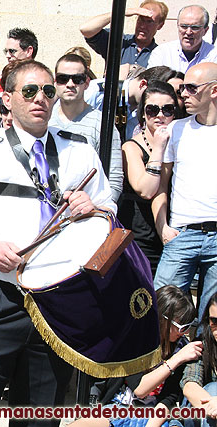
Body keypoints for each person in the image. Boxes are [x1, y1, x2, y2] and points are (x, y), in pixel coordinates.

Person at [0, 59, 115, 427]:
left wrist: (93, 206)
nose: (41, 99)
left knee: (39, 415)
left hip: (59, 299)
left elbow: (109, 213)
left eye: (48, 91)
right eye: (29, 91)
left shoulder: (79, 150)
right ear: (6, 98)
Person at [71, 285, 201, 427]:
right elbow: (139, 389)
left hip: (154, 415)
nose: (183, 332)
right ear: (162, 318)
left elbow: (169, 397)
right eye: (181, 326)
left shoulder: (181, 348)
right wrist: (176, 360)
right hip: (120, 408)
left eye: (188, 327)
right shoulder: (136, 338)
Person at [152, 62, 217, 322]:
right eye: (183, 89)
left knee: (211, 321)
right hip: (182, 233)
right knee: (160, 310)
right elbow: (161, 186)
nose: (184, 95)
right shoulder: (176, 130)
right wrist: (163, 227)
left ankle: (204, 364)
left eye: (191, 88)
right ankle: (162, 363)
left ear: (214, 91)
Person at [117, 81, 181, 277]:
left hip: (175, 226)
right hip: (140, 231)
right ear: (143, 113)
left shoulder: (182, 141)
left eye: (167, 109)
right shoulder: (131, 147)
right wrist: (159, 149)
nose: (160, 115)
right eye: (153, 110)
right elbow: (146, 189)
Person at [49, 53, 124, 202]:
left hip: (86, 212)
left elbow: (114, 181)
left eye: (77, 79)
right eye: (63, 79)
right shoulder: (45, 119)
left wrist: (96, 211)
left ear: (87, 82)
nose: (70, 84)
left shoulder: (102, 124)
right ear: (55, 82)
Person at [79, 1, 167, 69]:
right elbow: (86, 29)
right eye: (140, 19)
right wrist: (122, 12)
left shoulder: (160, 54)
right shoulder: (119, 41)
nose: (143, 26)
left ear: (160, 25)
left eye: (149, 21)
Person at [181, 292, 217, 427]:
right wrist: (213, 407)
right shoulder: (203, 345)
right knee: (213, 389)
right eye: (214, 321)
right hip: (202, 414)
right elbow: (190, 385)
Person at [147, 5, 217, 73]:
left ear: (205, 30)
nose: (188, 32)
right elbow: (152, 82)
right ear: (177, 26)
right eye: (184, 26)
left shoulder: (214, 55)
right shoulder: (162, 53)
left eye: (195, 27)